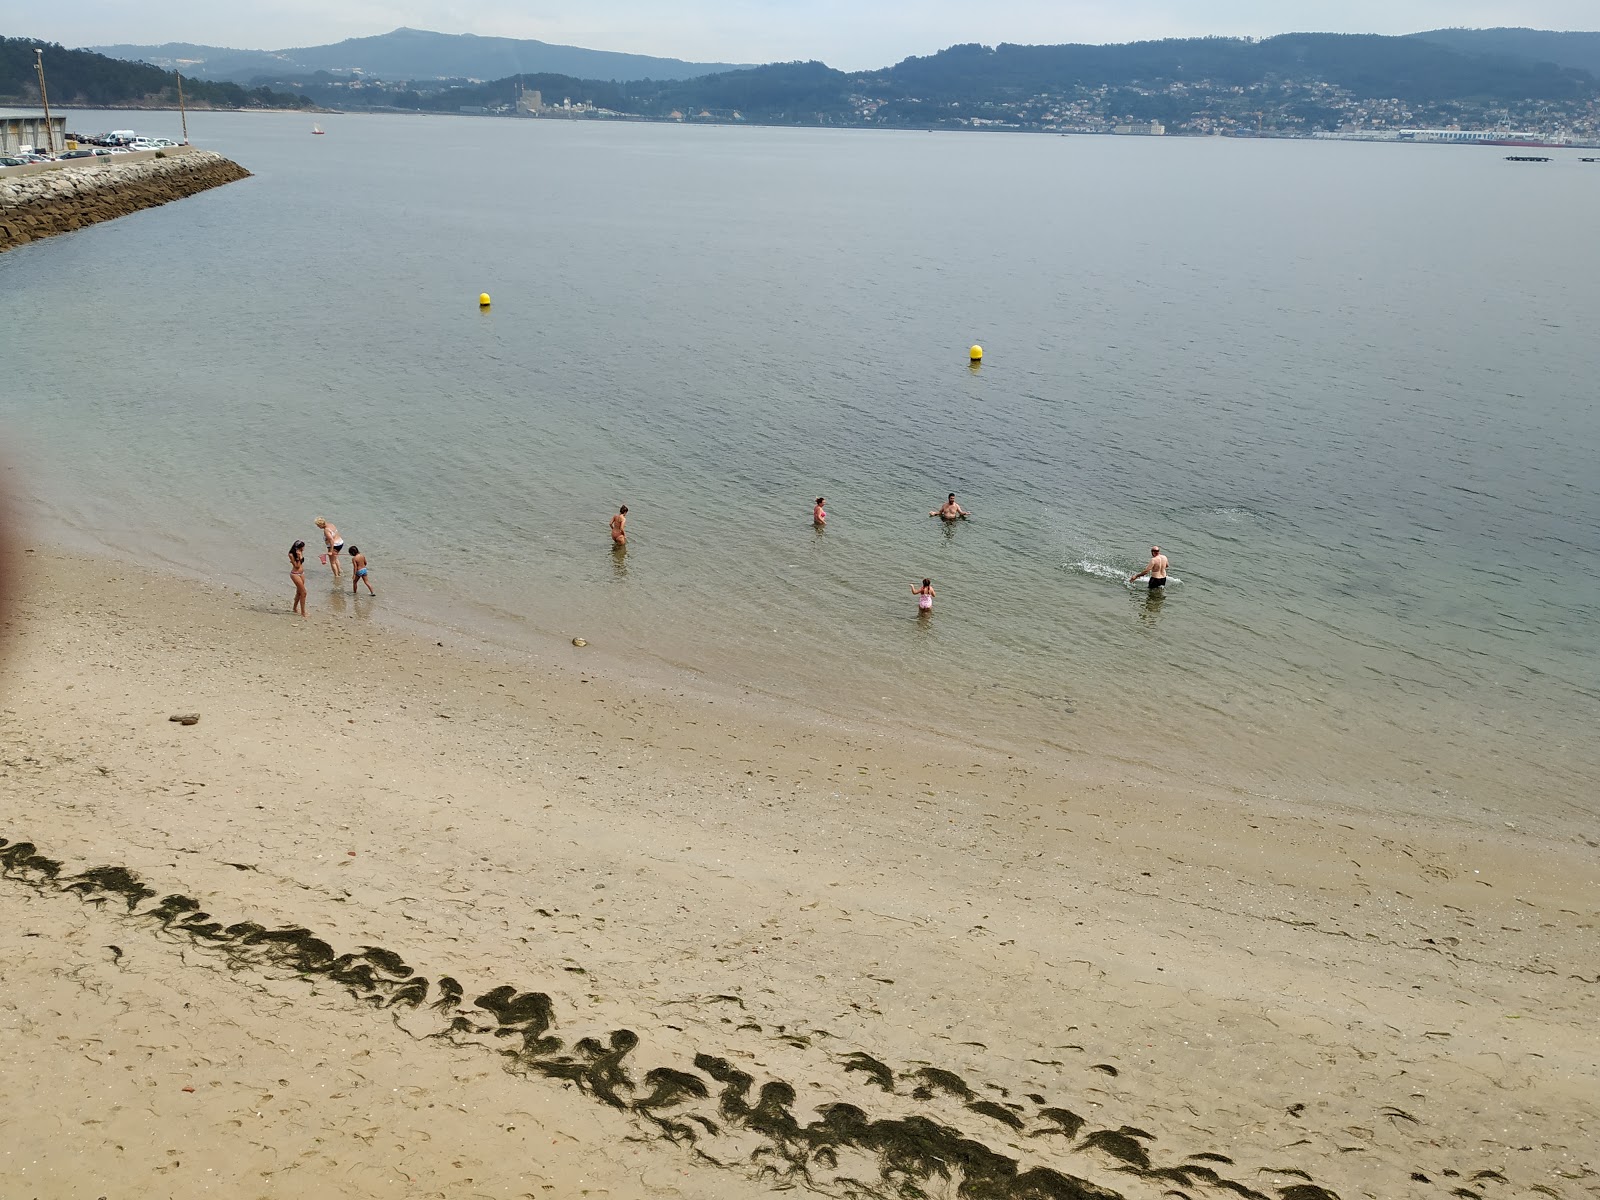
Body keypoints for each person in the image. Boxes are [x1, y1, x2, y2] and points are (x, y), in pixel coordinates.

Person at [288, 540, 308, 617]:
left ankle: (294, 608)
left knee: (299, 592)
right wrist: (299, 557)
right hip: (295, 574)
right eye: (303, 547)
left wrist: (300, 556)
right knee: (304, 593)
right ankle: (303, 612)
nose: (304, 548)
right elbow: (297, 566)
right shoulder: (291, 554)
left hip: (301, 573)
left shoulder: (300, 552)